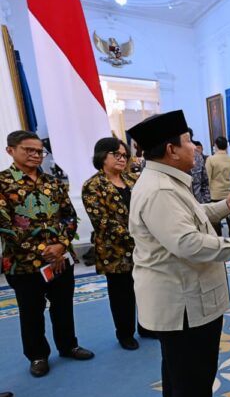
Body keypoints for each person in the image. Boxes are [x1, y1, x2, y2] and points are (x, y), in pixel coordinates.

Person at [127, 110, 230, 397]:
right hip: (181, 298)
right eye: (189, 141)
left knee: (180, 364)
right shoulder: (160, 189)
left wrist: (225, 207)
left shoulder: (168, 179)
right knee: (193, 365)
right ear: (171, 149)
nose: (195, 148)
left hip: (183, 292)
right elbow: (187, 242)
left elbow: (191, 217)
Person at [0, 130, 95, 378]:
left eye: (39, 151)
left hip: (61, 259)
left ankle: (68, 345)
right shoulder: (2, 183)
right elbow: (5, 226)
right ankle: (37, 356)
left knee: (63, 306)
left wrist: (62, 244)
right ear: (10, 150)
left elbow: (69, 215)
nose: (35, 155)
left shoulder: (53, 182)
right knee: (31, 311)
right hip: (23, 263)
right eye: (28, 150)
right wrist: (43, 250)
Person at [82, 137, 150, 350]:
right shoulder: (93, 185)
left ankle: (146, 326)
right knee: (122, 295)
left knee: (145, 289)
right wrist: (136, 234)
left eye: (124, 155)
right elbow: (102, 222)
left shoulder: (132, 180)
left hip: (142, 248)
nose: (122, 159)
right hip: (115, 251)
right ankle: (125, 333)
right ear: (102, 156)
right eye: (117, 155)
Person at [205, 136, 230, 236]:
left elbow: (207, 178)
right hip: (227, 191)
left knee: (216, 221)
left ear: (216, 145)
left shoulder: (211, 159)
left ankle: (219, 240)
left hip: (215, 193)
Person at [190, 138, 211, 204]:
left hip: (200, 203)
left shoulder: (199, 158)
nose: (195, 148)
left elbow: (205, 182)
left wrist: (206, 200)